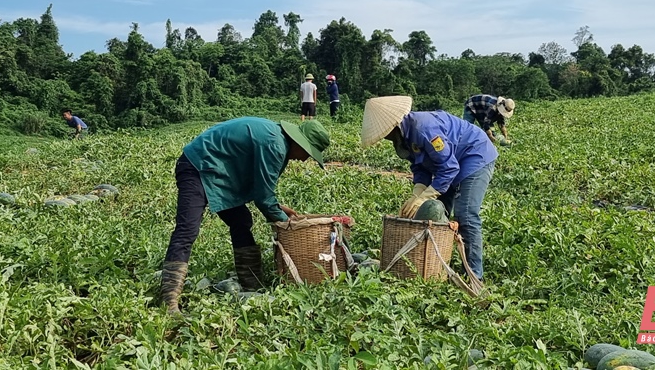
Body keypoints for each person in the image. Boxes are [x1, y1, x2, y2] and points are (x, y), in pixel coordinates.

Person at [161, 117, 330, 315]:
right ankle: (169, 301)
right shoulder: (275, 145)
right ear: (300, 142)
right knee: (187, 229)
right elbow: (263, 196)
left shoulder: (278, 141)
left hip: (219, 171)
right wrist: (287, 225)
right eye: (308, 153)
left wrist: (277, 207)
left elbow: (261, 186)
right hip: (198, 166)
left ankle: (252, 283)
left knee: (241, 220)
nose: (305, 159)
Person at [361, 96, 497, 280]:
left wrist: (425, 197)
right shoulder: (403, 137)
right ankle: (435, 263)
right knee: (437, 213)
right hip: (451, 162)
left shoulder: (424, 129)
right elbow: (420, 167)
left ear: (390, 127)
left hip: (475, 154)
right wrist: (417, 194)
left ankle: (474, 275)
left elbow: (449, 167)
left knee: (465, 213)